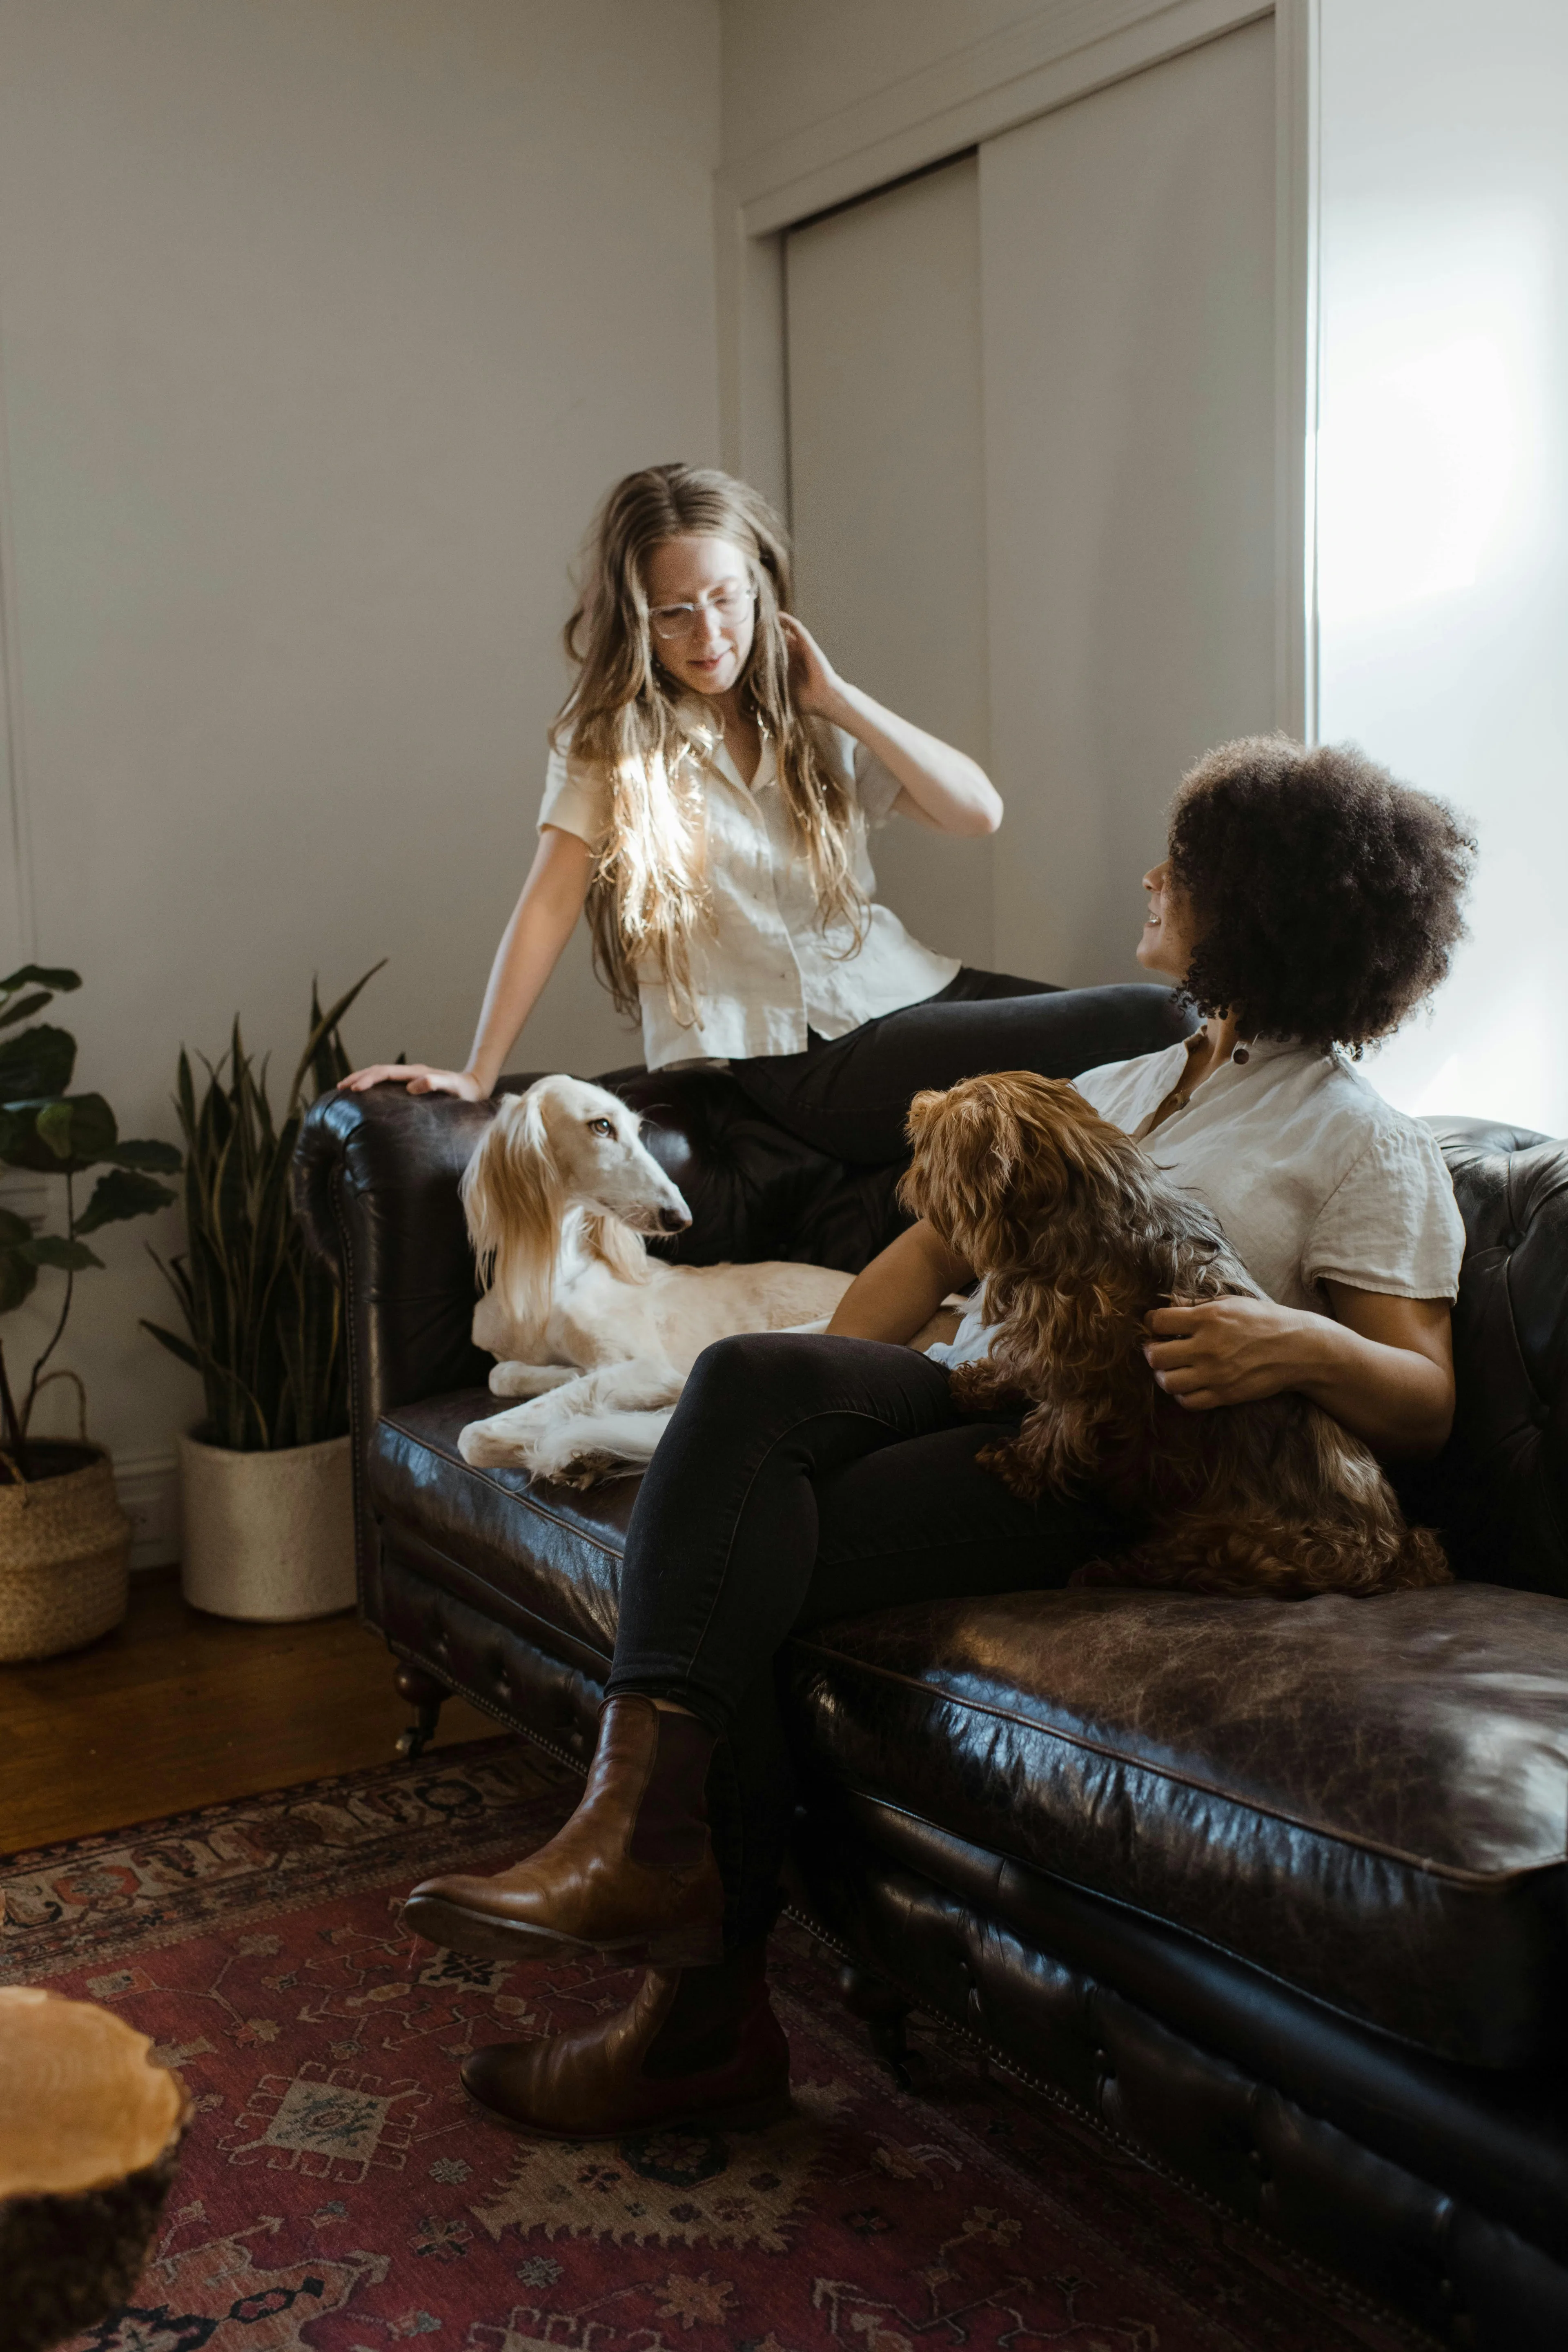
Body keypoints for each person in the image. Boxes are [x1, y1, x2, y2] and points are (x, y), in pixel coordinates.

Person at [406, 734, 1476, 2145]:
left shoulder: (1358, 1140)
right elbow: (919, 1266)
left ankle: (686, 2001)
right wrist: (811, 1400)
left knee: (746, 1564)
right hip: (987, 1387)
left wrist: (1298, 1343)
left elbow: (1423, 1393)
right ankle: (646, 1879)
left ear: (1264, 910)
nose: (1155, 880)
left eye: (1190, 866)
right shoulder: (1128, 1084)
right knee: (740, 1397)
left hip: (1118, 1456)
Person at [340, 463, 1189, 1156]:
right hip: (804, 1058)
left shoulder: (802, 716)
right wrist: (480, 1073)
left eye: (725, 598)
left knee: (1177, 1038)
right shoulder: (612, 740)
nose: (707, 633)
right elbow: (551, 899)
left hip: (911, 990)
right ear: (637, 622)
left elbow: (977, 812)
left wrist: (842, 700)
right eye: (672, 614)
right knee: (1150, 1018)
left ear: (761, 587)